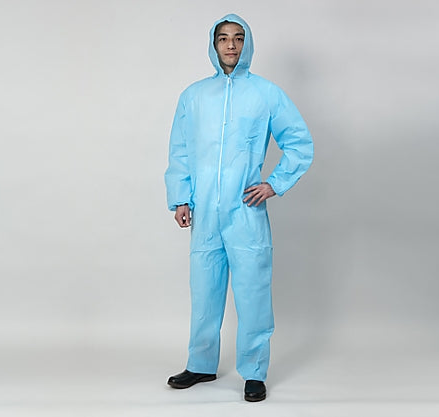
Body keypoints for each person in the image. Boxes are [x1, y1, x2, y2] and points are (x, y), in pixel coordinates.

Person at [164, 13, 313, 402]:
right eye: (223, 38)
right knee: (204, 291)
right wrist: (180, 197)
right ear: (213, 46)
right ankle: (200, 364)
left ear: (247, 45)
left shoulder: (266, 94)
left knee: (253, 293)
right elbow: (180, 150)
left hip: (246, 210)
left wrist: (274, 183)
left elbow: (299, 141)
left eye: (238, 38)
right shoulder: (194, 96)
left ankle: (254, 372)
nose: (231, 45)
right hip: (204, 213)